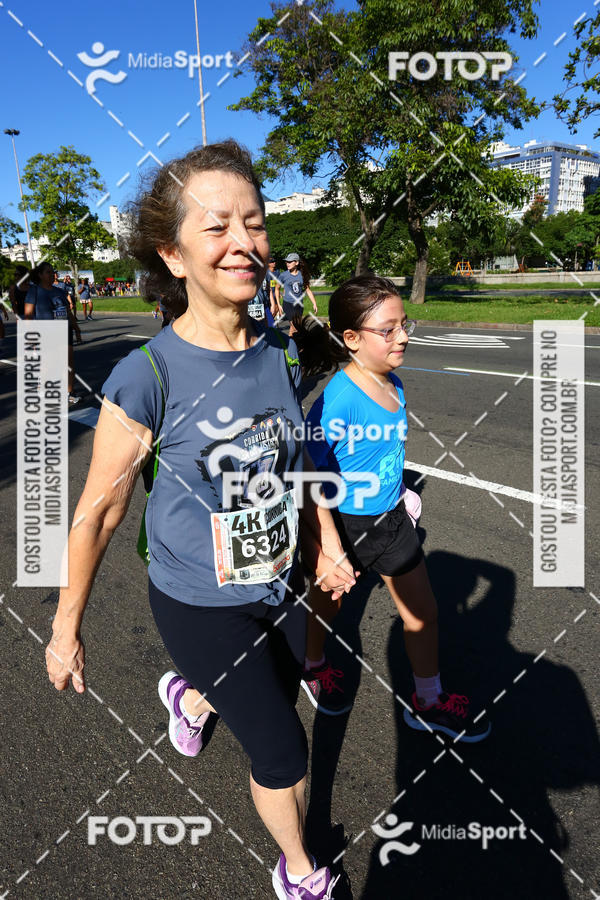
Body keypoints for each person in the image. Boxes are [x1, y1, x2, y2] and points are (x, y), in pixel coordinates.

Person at [44, 139, 357, 899]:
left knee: (278, 693)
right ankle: (300, 870)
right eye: (216, 227)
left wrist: (325, 543)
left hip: (279, 582)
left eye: (253, 222)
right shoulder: (146, 376)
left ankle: (192, 696)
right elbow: (100, 509)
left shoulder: (281, 352)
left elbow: (295, 459)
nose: (244, 242)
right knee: (283, 750)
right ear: (173, 256)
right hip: (197, 601)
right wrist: (64, 626)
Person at [293, 275, 490, 742]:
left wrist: (399, 490)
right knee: (329, 603)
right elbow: (305, 474)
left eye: (405, 324)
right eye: (389, 329)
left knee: (423, 612)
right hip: (345, 524)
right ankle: (312, 664)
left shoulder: (394, 383)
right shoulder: (337, 401)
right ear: (352, 340)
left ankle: (427, 700)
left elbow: (386, 451)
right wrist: (326, 544)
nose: (403, 336)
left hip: (392, 521)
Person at [24, 261, 83, 405]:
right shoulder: (34, 291)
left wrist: (76, 329)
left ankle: (69, 393)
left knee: (69, 364)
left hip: (64, 331)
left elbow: (68, 311)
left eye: (53, 272)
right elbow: (28, 314)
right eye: (48, 272)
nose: (52, 275)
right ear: (40, 275)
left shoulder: (59, 292)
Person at [275, 253, 318, 335]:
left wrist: (314, 303)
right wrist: (279, 304)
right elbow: (277, 289)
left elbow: (308, 290)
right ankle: (292, 346)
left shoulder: (302, 275)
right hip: (288, 304)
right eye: (287, 262)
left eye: (290, 262)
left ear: (296, 263)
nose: (287, 264)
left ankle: (293, 345)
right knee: (294, 326)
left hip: (299, 305)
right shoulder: (283, 275)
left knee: (296, 328)